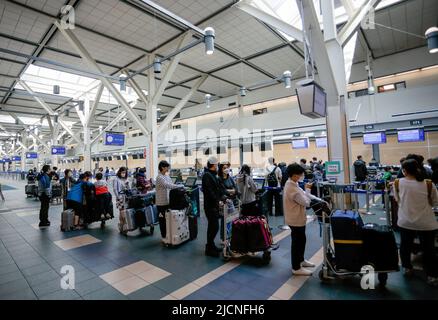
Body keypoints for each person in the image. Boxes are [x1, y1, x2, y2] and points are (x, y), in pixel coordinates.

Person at [393, 159, 438, 286]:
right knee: (429, 249)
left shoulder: (397, 183)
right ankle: (432, 275)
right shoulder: (428, 184)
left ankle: (407, 268)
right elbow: (435, 202)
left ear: (404, 171)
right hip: (426, 222)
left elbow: (397, 199)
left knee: (405, 246)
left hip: (405, 221)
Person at [283, 163, 326, 276]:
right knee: (297, 242)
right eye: (301, 174)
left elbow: (304, 196)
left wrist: (317, 198)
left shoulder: (292, 183)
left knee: (301, 240)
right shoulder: (292, 188)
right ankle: (296, 268)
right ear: (294, 175)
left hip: (296, 218)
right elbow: (306, 203)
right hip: (295, 219)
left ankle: (301, 260)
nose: (302, 176)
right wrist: (307, 190)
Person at [202, 156, 227, 257]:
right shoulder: (207, 175)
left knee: (213, 226)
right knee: (214, 226)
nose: (218, 166)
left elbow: (219, 188)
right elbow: (209, 191)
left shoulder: (214, 175)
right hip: (210, 205)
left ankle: (211, 246)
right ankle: (208, 248)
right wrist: (218, 200)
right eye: (217, 164)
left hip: (214, 205)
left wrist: (224, 195)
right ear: (213, 165)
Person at [155, 160, 182, 241]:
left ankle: (168, 235)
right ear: (162, 167)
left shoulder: (167, 176)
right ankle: (163, 236)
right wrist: (179, 186)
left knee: (168, 220)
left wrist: (177, 186)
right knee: (162, 220)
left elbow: (171, 184)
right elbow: (167, 185)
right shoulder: (159, 177)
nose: (168, 168)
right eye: (167, 167)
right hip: (161, 203)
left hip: (168, 202)